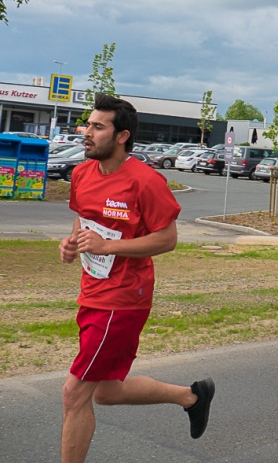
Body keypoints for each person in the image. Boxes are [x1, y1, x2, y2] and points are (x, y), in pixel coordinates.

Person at [59, 95, 214, 463]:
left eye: (98, 127)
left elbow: (167, 239)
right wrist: (71, 244)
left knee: (74, 393)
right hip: (91, 292)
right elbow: (83, 221)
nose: (87, 132)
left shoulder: (146, 181)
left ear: (122, 135)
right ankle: (191, 396)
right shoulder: (81, 174)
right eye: (88, 124)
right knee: (106, 392)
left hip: (123, 299)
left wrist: (109, 247)